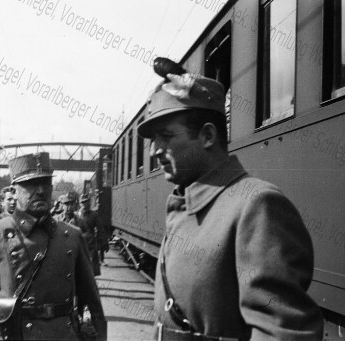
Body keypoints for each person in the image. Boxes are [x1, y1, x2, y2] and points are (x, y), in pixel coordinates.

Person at [137, 59, 323, 340]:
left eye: (165, 136)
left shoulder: (256, 206)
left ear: (208, 136)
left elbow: (281, 331)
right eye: (153, 140)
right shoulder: (185, 205)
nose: (155, 151)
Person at [0, 152, 106, 340]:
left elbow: (93, 303)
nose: (40, 190)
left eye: (46, 183)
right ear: (14, 191)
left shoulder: (72, 236)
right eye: (31, 184)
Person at [77, 194, 102, 276]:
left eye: (86, 202)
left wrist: (99, 242)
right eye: (83, 202)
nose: (85, 204)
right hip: (79, 242)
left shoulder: (94, 215)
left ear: (89, 203)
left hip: (91, 243)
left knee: (91, 266)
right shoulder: (77, 215)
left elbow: (100, 229)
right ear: (80, 204)